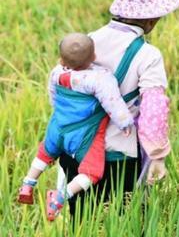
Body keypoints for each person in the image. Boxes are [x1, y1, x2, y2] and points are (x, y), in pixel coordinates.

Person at [57, 0, 179, 219]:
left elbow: (62, 89)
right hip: (117, 155)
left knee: (81, 222)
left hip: (74, 150)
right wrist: (158, 157)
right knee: (125, 219)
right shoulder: (148, 55)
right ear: (151, 20)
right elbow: (153, 109)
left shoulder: (86, 41)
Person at [17, 33, 134, 221]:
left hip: (58, 126)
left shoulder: (56, 73)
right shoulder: (99, 78)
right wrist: (124, 121)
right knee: (92, 172)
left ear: (61, 59)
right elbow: (112, 101)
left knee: (45, 152)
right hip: (83, 135)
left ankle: (28, 183)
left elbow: (53, 96)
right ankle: (60, 196)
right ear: (94, 57)